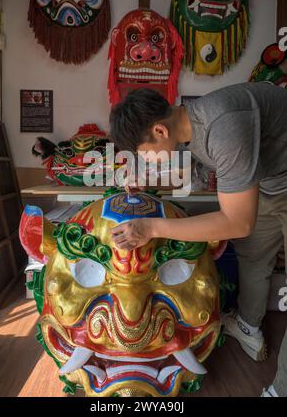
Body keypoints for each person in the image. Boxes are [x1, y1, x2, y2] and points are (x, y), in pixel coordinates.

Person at [109, 83, 287, 398]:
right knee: (253, 255)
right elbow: (208, 165)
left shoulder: (223, 125)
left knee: (242, 234)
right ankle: (248, 327)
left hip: (278, 178)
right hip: (272, 180)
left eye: (144, 155)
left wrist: (151, 228)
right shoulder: (189, 124)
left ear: (160, 131)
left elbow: (237, 221)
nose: (147, 162)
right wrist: (148, 179)